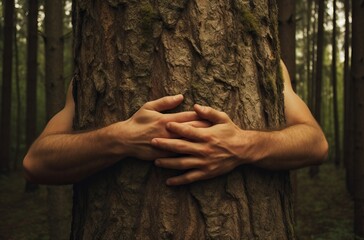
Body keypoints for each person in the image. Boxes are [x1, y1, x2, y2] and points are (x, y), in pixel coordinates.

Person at [23, 61, 328, 185]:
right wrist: (119, 138)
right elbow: (37, 162)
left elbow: (315, 142)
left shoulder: (263, 59)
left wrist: (244, 145)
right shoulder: (94, 66)